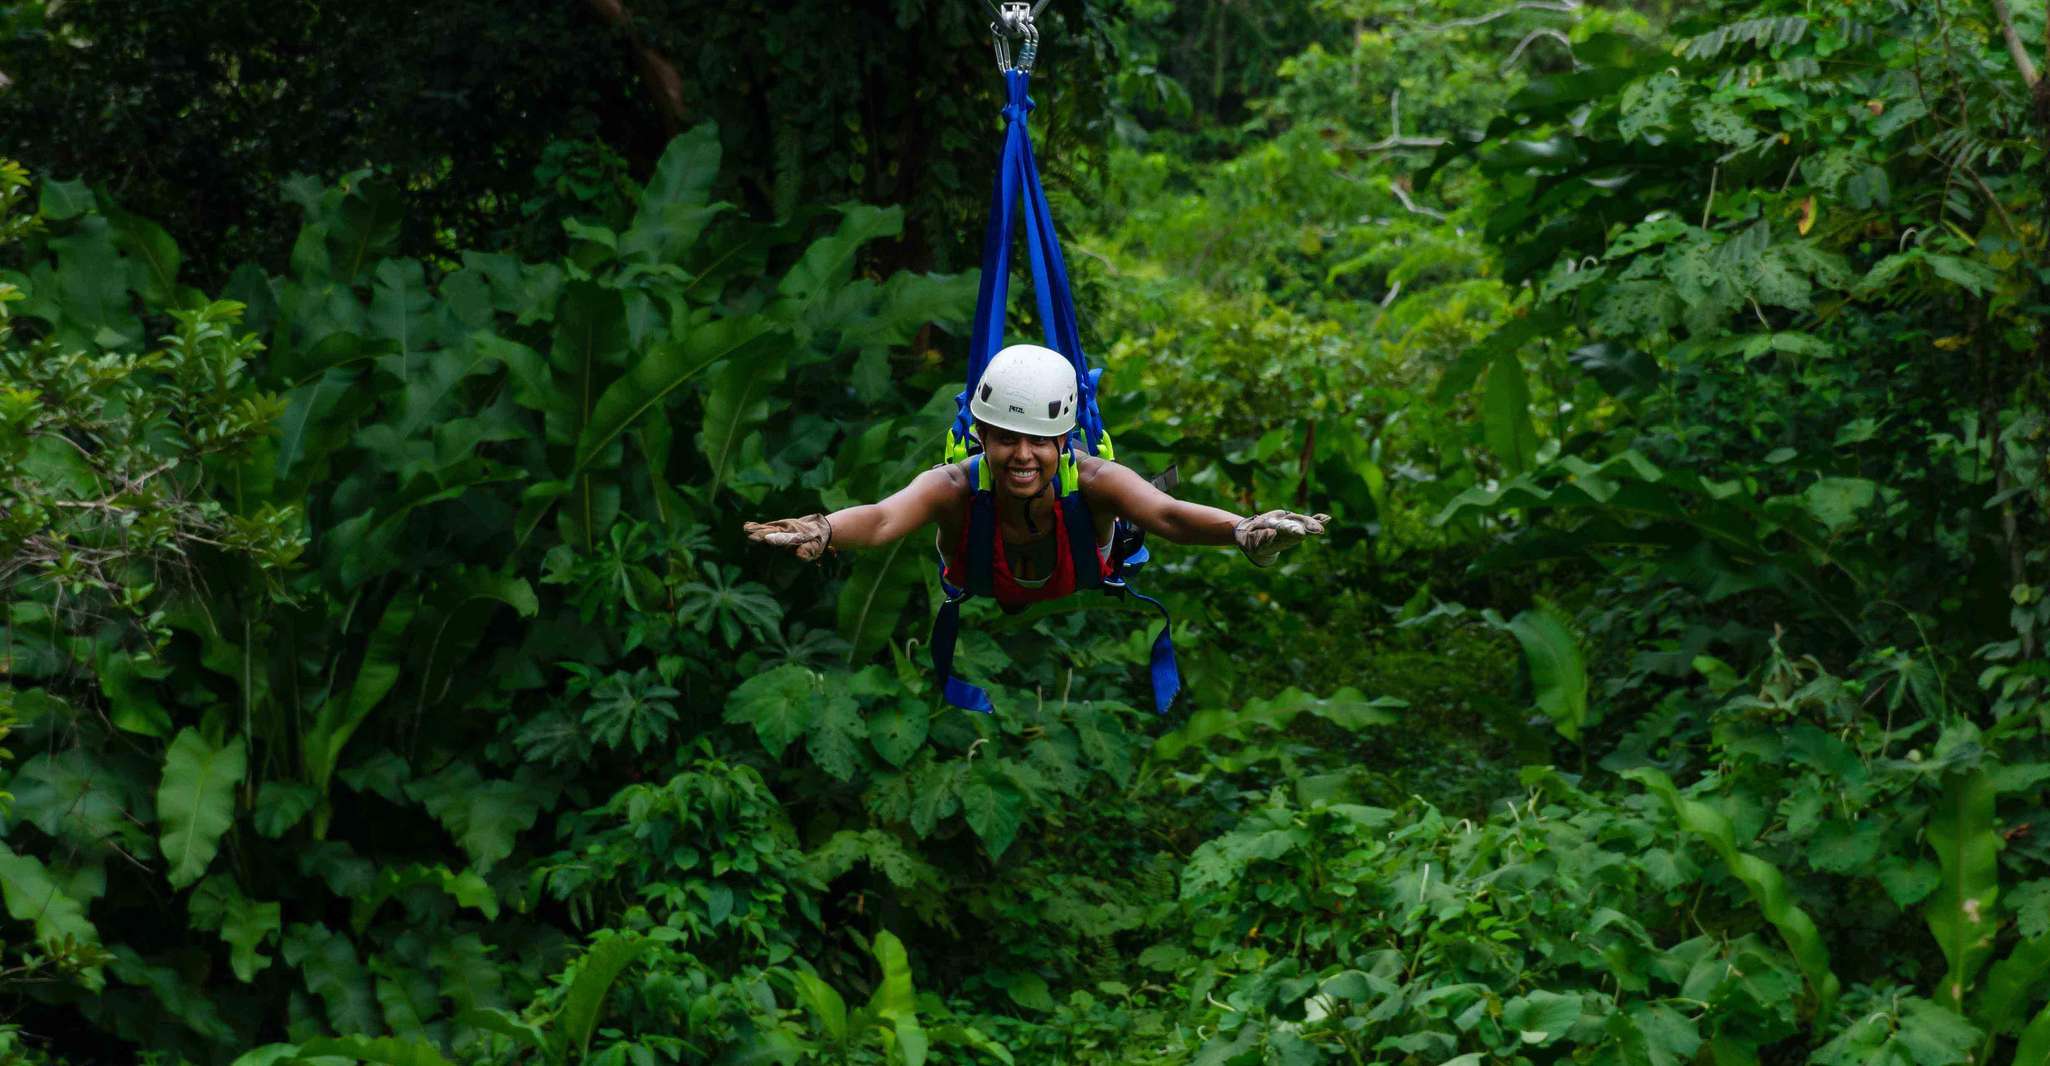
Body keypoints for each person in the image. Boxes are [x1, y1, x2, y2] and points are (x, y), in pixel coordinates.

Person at [744, 344, 1329, 600]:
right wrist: (825, 529)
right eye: (1005, 439)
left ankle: (1118, 536)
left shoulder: (1093, 480)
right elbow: (880, 520)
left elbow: (1168, 513)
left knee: (1130, 511)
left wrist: (1241, 530)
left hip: (1083, 557)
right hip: (980, 573)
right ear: (981, 437)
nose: (1022, 455)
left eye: (1040, 442)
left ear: (1065, 442)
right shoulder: (954, 486)